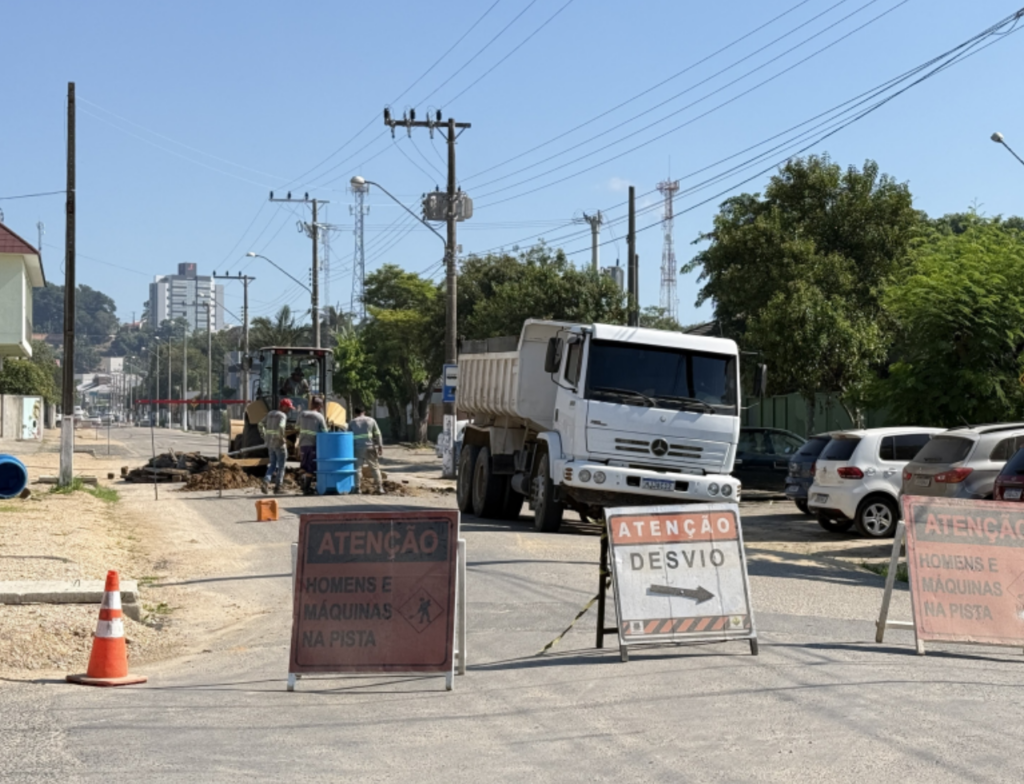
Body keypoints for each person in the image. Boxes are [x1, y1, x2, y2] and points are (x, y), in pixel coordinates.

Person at [296, 396, 332, 494]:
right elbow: (325, 432)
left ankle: (303, 485)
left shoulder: (302, 414)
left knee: (304, 465)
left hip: (303, 444)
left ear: (311, 404)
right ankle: (306, 489)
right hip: (313, 444)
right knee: (311, 467)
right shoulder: (319, 416)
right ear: (320, 406)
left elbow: (297, 426)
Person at [260, 398, 293, 494]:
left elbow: (260, 424)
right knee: (281, 466)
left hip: (270, 444)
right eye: (288, 408)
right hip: (279, 444)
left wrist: (264, 436)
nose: (289, 410)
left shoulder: (270, 414)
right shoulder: (283, 415)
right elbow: (282, 426)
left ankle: (266, 481)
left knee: (273, 465)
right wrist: (282, 437)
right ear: (283, 406)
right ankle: (278, 487)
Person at [349, 406, 384, 494]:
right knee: (375, 467)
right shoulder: (371, 420)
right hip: (370, 447)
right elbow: (378, 434)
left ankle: (357, 488)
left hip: (357, 448)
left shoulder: (352, 422)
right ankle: (380, 488)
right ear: (364, 411)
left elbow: (348, 436)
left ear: (355, 413)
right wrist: (380, 446)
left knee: (357, 468)